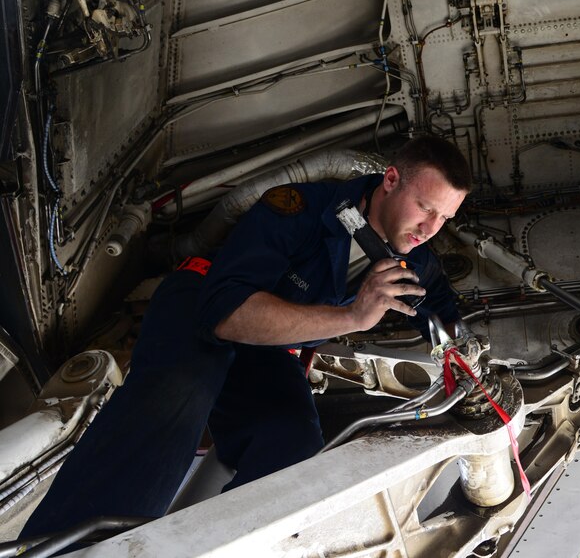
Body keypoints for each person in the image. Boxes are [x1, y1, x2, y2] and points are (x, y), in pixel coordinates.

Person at [18, 135, 471, 545]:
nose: (431, 227)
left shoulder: (418, 262)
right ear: (390, 180)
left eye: (445, 217)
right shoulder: (298, 207)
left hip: (267, 351)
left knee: (293, 444)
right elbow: (227, 315)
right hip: (199, 308)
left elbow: (448, 325)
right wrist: (352, 315)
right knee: (181, 394)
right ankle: (63, 547)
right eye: (426, 208)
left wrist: (467, 359)